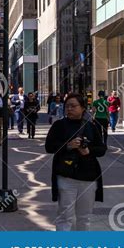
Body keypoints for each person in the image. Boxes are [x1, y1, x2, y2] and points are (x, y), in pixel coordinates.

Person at [45, 92, 106, 231]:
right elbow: (49, 147)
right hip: (66, 175)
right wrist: (68, 145)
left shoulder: (91, 126)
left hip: (88, 176)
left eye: (73, 106)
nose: (69, 109)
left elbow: (102, 149)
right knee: (65, 216)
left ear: (83, 108)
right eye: (67, 106)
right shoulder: (59, 125)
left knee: (84, 217)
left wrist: (88, 150)